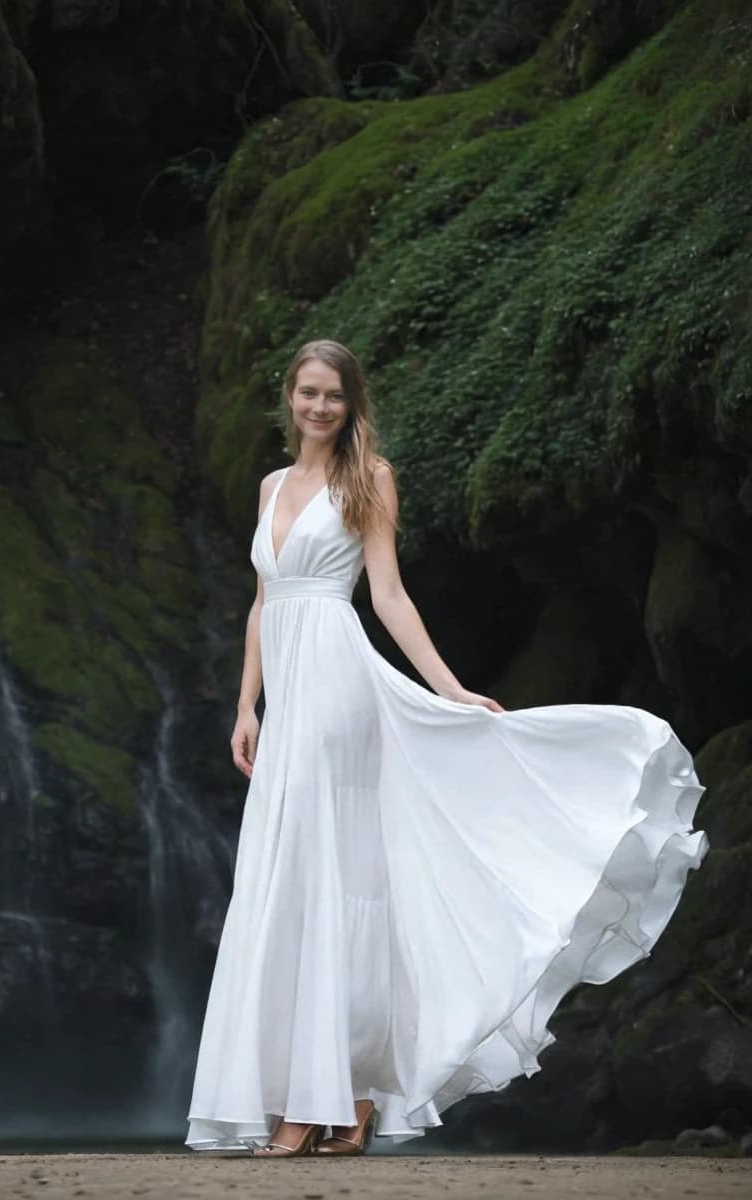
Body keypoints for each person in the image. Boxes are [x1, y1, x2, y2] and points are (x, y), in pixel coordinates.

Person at [184, 340, 707, 1157]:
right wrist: (246, 704)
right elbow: (262, 602)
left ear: (351, 404)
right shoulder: (270, 487)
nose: (320, 407)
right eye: (308, 393)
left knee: (331, 883)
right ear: (289, 398)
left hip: (339, 683)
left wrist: (449, 686)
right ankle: (341, 1100)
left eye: (334, 397)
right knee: (293, 883)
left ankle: (313, 1107)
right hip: (287, 699)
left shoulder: (369, 479)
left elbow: (387, 594)